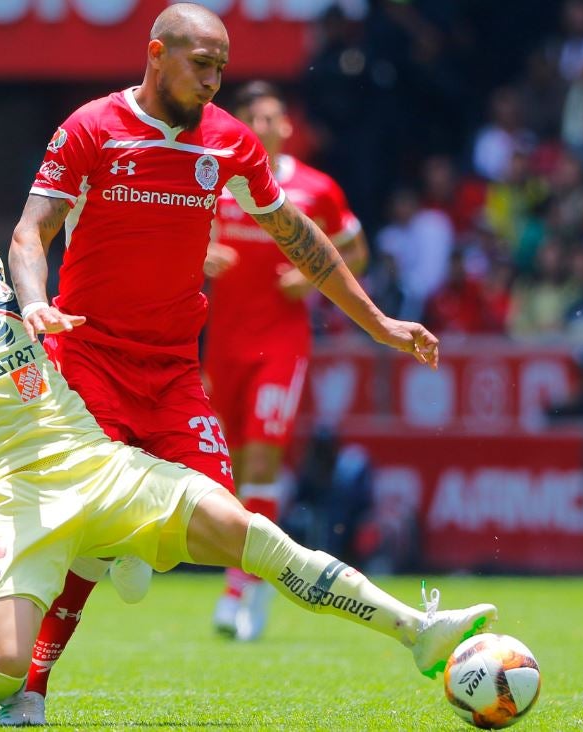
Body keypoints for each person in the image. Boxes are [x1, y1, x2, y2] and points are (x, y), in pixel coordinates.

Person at [0, 157, 496, 727]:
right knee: (3, 669)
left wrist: (167, 264)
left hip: (101, 463)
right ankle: (85, 574)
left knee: (260, 538)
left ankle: (419, 632)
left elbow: (79, 268)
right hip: (11, 502)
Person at [8, 3, 470, 722]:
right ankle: (30, 689)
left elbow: (297, 234)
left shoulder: (228, 143)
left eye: (223, 67)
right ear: (156, 53)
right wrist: (34, 300)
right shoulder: (91, 127)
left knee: (244, 532)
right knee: (84, 548)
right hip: (89, 363)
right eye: (202, 64)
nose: (215, 82)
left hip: (172, 373)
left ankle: (415, 633)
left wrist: (376, 319)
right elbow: (30, 233)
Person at [202, 80, 368, 641]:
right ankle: (255, 579)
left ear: (287, 126)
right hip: (222, 343)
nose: (266, 126)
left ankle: (240, 589)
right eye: (255, 118)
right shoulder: (220, 180)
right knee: (223, 467)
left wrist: (312, 275)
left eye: (273, 117)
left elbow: (355, 247)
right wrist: (202, 253)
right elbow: (183, 236)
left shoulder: (315, 188)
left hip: (281, 343)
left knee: (262, 463)